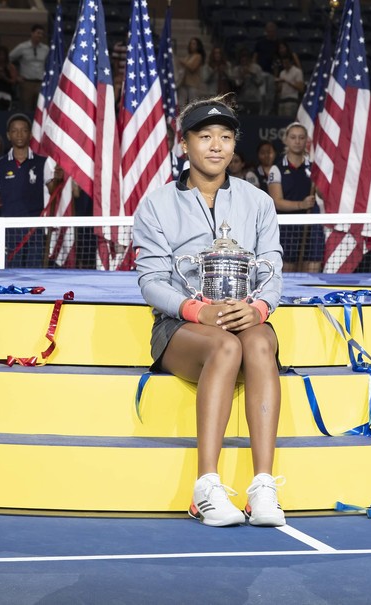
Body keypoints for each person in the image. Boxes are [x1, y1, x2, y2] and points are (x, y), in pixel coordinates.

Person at [132, 95, 286, 528]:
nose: (216, 146)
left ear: (234, 146)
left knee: (256, 344)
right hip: (182, 328)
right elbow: (150, 281)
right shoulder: (157, 203)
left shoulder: (257, 202)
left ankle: (263, 486)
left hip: (246, 317)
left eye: (225, 137)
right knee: (223, 347)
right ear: (185, 145)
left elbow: (272, 267)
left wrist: (258, 307)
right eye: (205, 137)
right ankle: (205, 487)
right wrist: (193, 310)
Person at [0, 113, 62, 268]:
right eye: (15, 131)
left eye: (23, 130)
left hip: (35, 228)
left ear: (30, 134)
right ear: (8, 135)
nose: (19, 134)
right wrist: (10, 208)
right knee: (10, 271)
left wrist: (58, 179)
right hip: (9, 229)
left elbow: (52, 190)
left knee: (34, 271)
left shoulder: (42, 163)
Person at [268, 122, 322, 273]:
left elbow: (324, 195)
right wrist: (301, 205)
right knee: (288, 272)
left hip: (312, 225)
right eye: (293, 137)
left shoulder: (314, 169)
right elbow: (277, 203)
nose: (297, 141)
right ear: (286, 140)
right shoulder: (277, 169)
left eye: (301, 137)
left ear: (306, 141)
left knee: (312, 269)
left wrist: (322, 177)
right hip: (288, 228)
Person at [9, 24, 48, 112]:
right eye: (38, 33)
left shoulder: (45, 49)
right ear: (32, 33)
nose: (40, 36)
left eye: (42, 34)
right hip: (26, 83)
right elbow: (8, 59)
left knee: (39, 108)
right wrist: (16, 76)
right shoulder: (22, 47)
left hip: (40, 82)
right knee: (26, 107)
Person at [232, 49, 264, 115]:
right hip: (241, 99)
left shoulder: (256, 68)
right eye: (242, 59)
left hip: (255, 99)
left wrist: (251, 74)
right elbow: (236, 85)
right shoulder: (236, 69)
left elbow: (260, 82)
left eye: (246, 59)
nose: (244, 61)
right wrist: (242, 77)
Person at [275, 50, 304, 118]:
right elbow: (279, 89)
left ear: (291, 62)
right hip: (282, 101)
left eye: (286, 62)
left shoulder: (297, 72)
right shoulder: (282, 73)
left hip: (292, 100)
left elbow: (301, 88)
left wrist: (287, 81)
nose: (285, 64)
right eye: (283, 63)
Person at [177, 37, 206, 105]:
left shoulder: (198, 56)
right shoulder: (188, 56)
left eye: (194, 44)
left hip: (192, 83)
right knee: (181, 103)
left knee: (192, 103)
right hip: (184, 83)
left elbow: (193, 68)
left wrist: (183, 63)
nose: (191, 46)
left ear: (198, 46)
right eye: (190, 44)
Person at [0, 45, 18, 111]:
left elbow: (14, 81)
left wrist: (5, 78)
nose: (1, 57)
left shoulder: (10, 67)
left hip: (6, 93)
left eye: (3, 55)